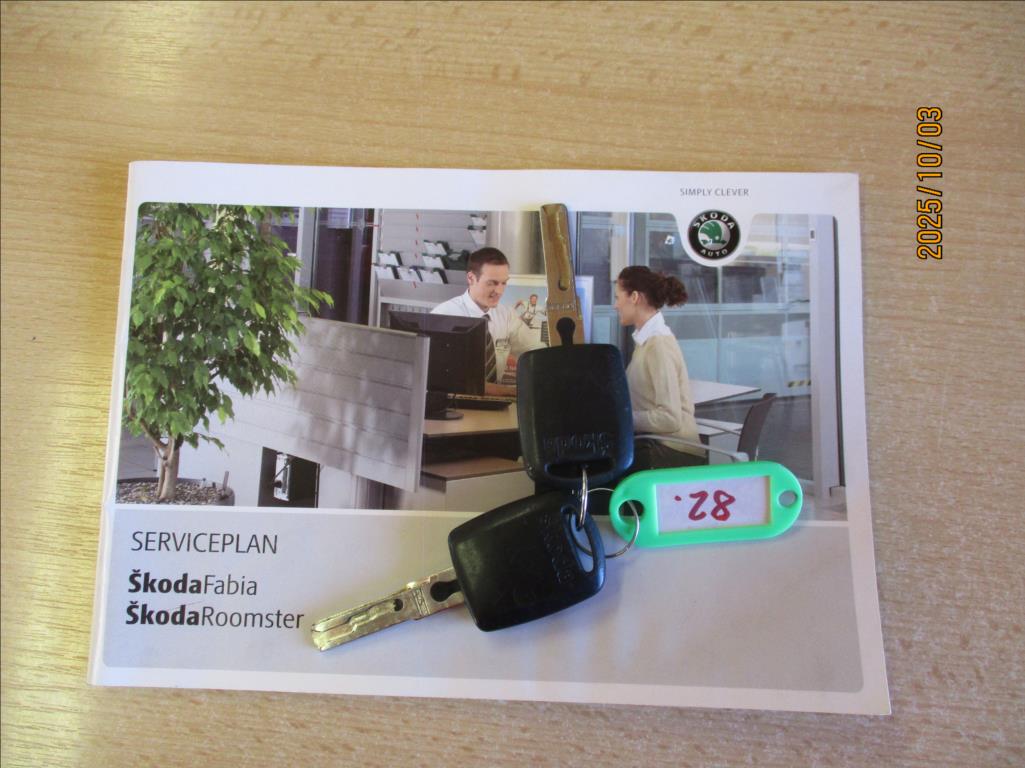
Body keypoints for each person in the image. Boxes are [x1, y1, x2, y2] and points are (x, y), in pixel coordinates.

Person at [613, 266, 705, 470]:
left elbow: (670, 418)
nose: (615, 305)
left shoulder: (658, 345)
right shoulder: (647, 342)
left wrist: (620, 417)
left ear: (634, 297)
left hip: (672, 454)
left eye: (618, 297)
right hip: (661, 448)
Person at [431, 247, 543, 394]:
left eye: (504, 283)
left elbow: (536, 352)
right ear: (471, 278)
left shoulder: (506, 315)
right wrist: (507, 392)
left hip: (496, 403)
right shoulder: (444, 315)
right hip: (455, 403)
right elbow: (442, 377)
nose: (499, 291)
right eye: (492, 283)